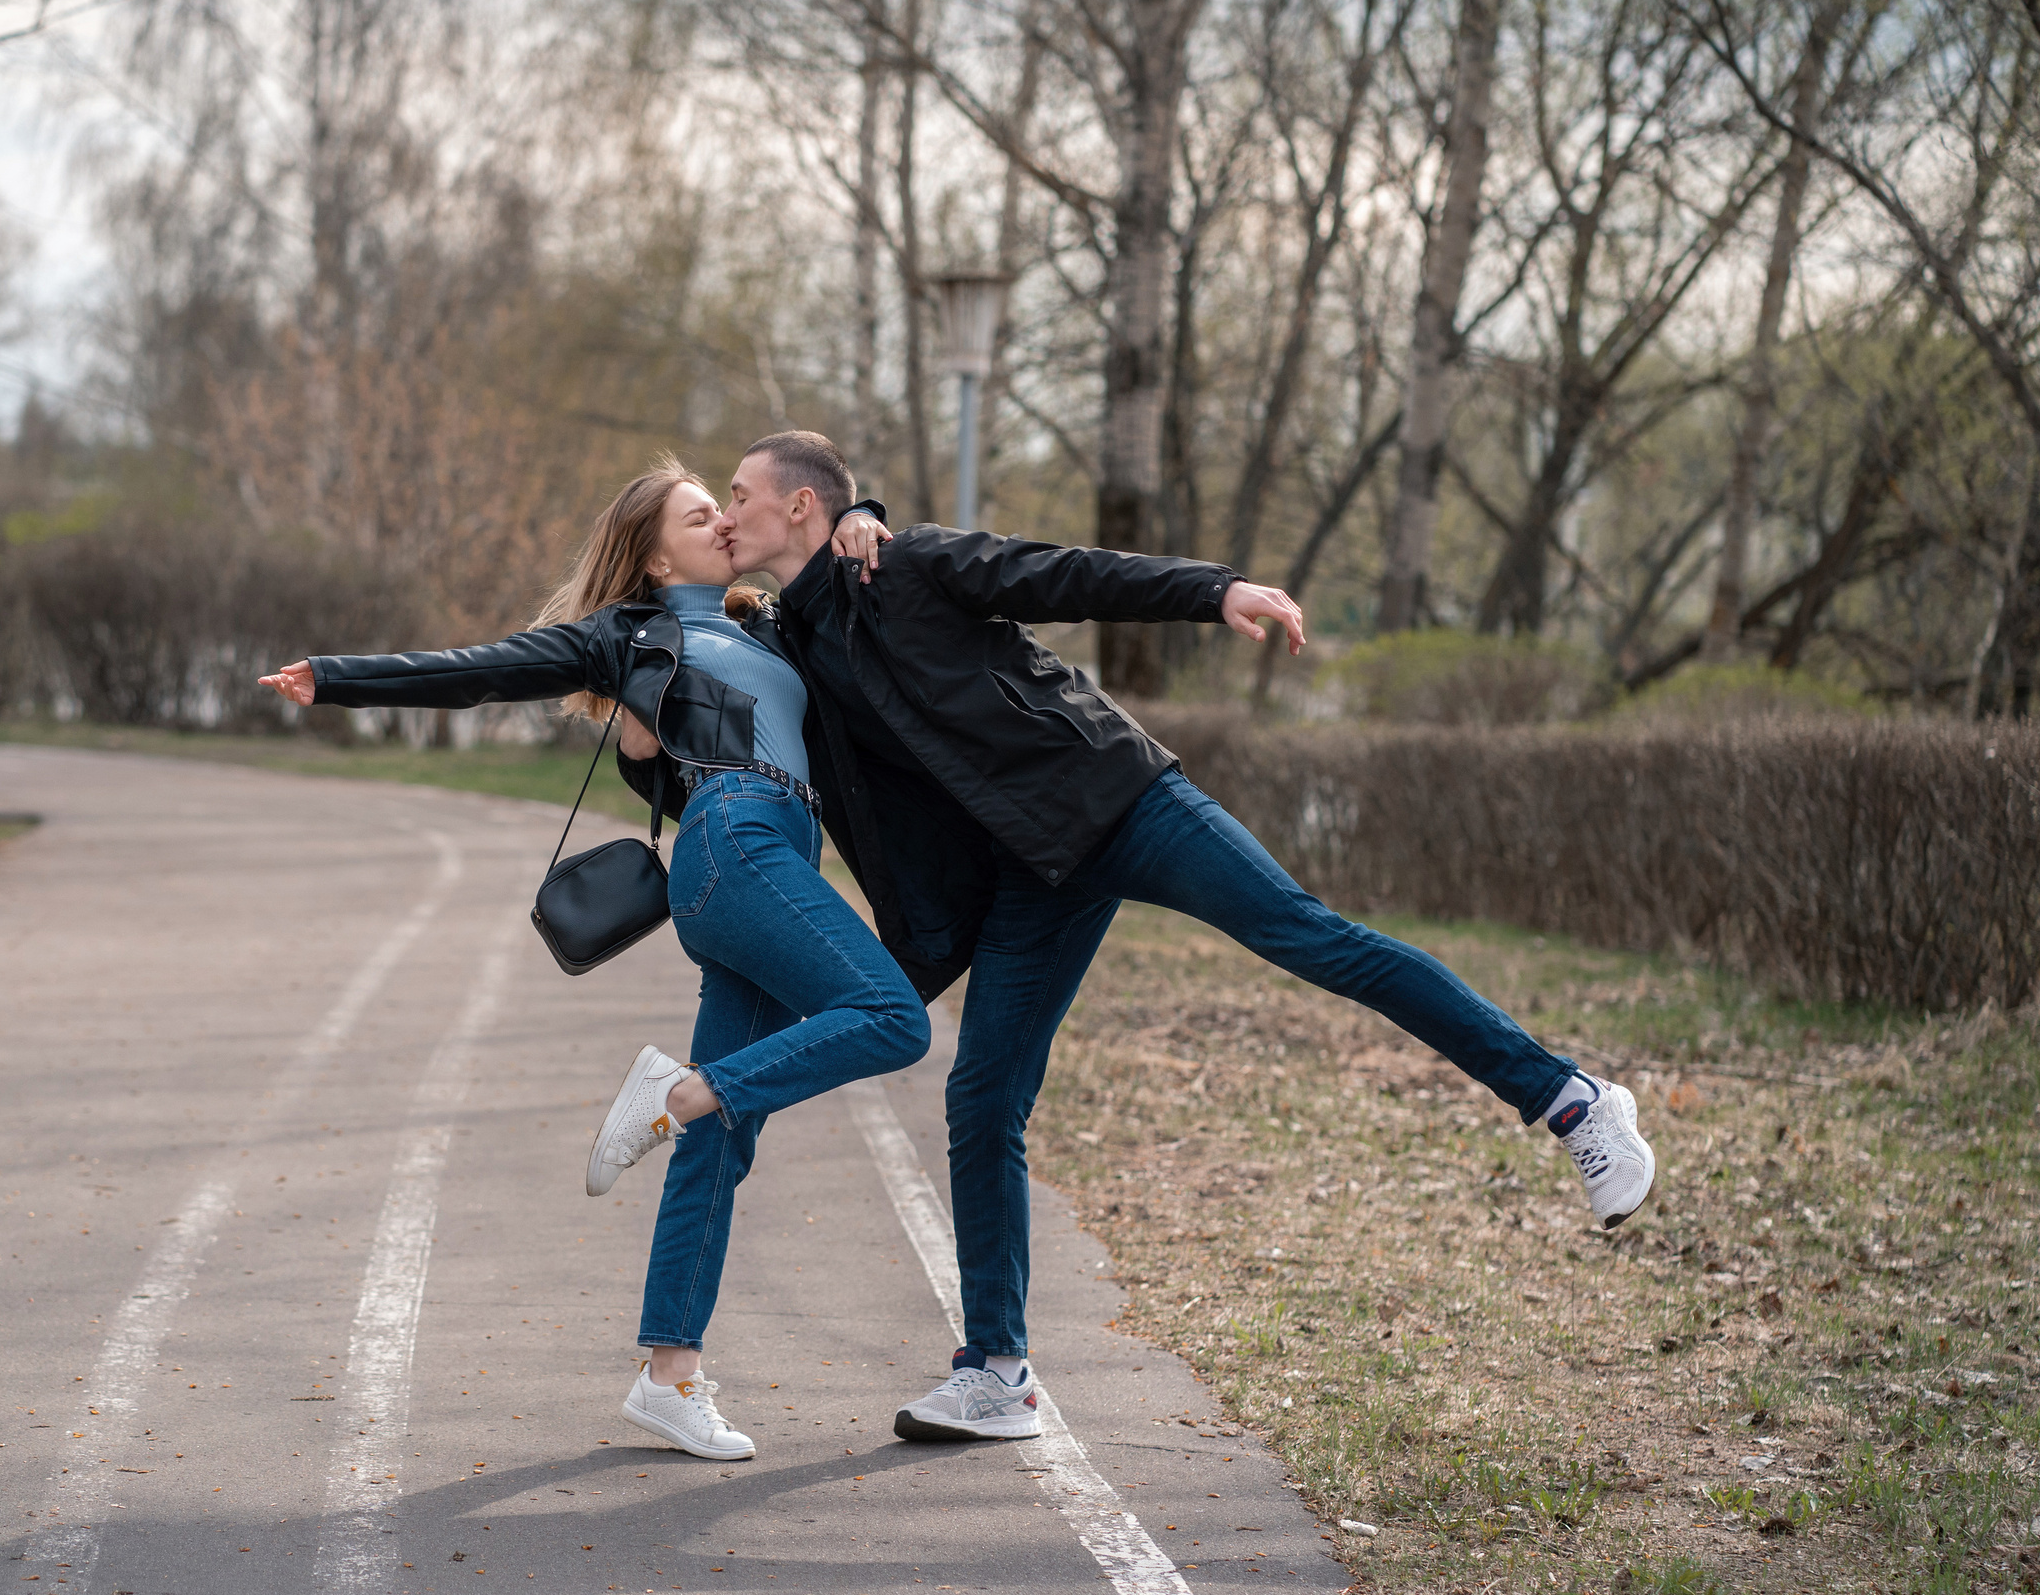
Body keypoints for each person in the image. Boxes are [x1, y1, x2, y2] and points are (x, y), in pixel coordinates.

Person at [616, 429, 1657, 1445]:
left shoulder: (916, 562)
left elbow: (1068, 574)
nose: (730, 512)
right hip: (1033, 871)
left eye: (743, 495)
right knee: (983, 1100)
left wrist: (1217, 590)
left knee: (1314, 939)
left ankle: (1571, 1101)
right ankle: (997, 1373)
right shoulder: (797, 640)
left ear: (801, 504)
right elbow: (722, 723)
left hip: (1122, 802)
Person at [259, 458, 931, 1463]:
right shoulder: (627, 634)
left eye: (727, 507)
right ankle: (685, 1090)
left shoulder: (767, 622)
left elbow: (844, 545)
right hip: (735, 840)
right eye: (704, 514)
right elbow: (481, 666)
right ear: (655, 554)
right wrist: (340, 679)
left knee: (722, 1140)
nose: (726, 520)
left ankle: (669, 1377)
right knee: (893, 1017)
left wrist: (866, 512)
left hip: (772, 854)